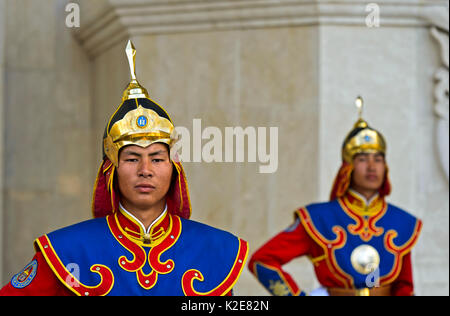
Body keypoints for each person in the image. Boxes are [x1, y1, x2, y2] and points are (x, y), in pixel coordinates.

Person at [0, 41, 248, 296]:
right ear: (110, 170)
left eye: (157, 158)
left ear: (175, 168)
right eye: (132, 158)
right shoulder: (67, 249)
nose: (145, 169)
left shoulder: (213, 248)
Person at [248, 97, 422, 296]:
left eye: (378, 159)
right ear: (347, 168)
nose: (372, 167)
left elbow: (404, 287)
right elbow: (263, 261)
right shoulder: (319, 219)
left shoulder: (401, 222)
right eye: (362, 159)